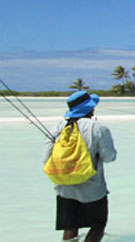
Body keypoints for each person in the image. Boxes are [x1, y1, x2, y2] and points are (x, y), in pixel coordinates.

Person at [43, 91, 117, 242]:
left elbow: (46, 160)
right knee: (98, 226)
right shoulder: (99, 128)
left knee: (70, 227)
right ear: (90, 109)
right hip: (93, 188)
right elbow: (109, 157)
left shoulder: (57, 128)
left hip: (64, 188)